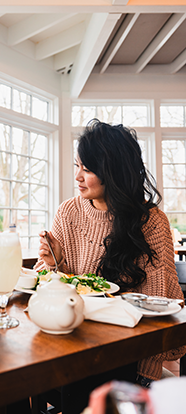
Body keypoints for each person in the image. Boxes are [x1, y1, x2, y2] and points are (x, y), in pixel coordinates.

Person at [35, 119, 185, 387]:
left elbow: (158, 306)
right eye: (77, 167)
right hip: (71, 344)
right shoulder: (68, 212)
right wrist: (56, 264)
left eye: (88, 169)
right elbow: (49, 291)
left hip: (126, 357)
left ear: (113, 171)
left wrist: (145, 375)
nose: (78, 177)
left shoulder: (150, 221)